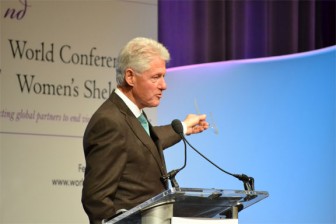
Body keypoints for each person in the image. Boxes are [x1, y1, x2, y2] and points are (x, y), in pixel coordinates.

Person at [81, 37, 209, 224]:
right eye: (156, 77)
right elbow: (96, 199)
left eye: (163, 77)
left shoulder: (130, 116)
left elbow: (143, 141)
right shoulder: (109, 121)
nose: (163, 85)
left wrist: (183, 127)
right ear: (130, 77)